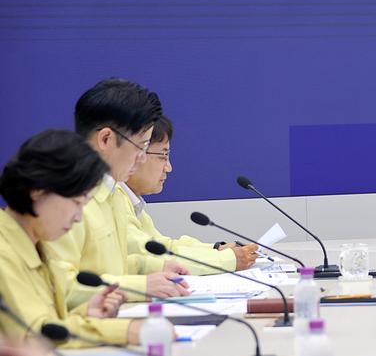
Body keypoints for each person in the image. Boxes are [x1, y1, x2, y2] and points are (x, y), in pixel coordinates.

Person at [43, 79, 190, 310]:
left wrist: (153, 268)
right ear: (106, 139)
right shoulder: (63, 198)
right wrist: (140, 286)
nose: (142, 158)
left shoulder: (116, 193)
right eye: (141, 146)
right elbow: (61, 288)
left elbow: (110, 267)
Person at [0, 130, 143, 347]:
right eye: (76, 203)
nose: (78, 217)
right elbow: (34, 337)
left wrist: (85, 313)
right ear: (38, 190)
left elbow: (48, 322)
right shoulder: (4, 253)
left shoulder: (40, 245)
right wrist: (126, 330)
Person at [121, 115, 258, 273]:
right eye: (163, 156)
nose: (168, 168)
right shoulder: (113, 199)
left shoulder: (131, 201)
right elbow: (152, 257)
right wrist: (227, 259)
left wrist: (216, 249)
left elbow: (164, 246)